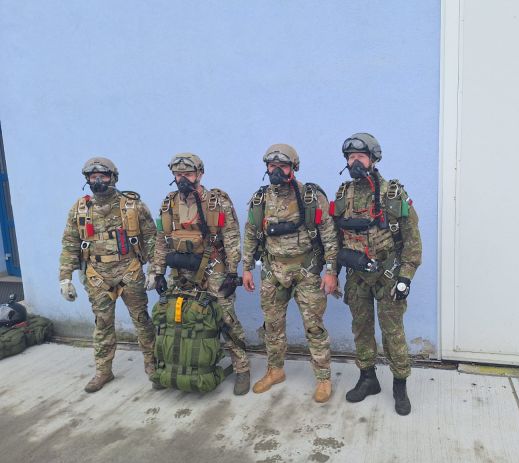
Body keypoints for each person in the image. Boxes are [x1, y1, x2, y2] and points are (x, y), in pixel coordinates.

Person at [331, 133, 422, 415]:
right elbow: (334, 239)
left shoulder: (393, 194)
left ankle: (400, 385)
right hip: (356, 277)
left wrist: (405, 276)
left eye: (360, 156)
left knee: (393, 332)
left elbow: (412, 240)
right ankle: (368, 378)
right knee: (361, 329)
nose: (354, 162)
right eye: (350, 157)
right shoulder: (342, 194)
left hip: (387, 276)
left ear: (373, 158)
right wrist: (332, 272)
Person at [146, 153, 251, 395]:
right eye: (178, 174)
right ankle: (174, 366)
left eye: (188, 174)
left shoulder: (217, 202)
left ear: (200, 174)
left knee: (226, 318)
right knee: (175, 319)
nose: (183, 178)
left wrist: (232, 273)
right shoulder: (168, 203)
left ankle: (242, 368)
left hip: (213, 268)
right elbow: (161, 239)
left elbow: (231, 238)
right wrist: (157, 272)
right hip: (179, 269)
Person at [242, 144, 338, 403]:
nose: (276, 170)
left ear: (293, 167)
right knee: (272, 326)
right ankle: (275, 370)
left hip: (306, 271)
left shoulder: (310, 197)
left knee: (314, 327)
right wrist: (247, 268)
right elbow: (251, 234)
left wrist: (331, 271)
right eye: (271, 165)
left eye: (282, 166)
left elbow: (329, 235)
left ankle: (323, 378)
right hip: (273, 271)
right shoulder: (260, 199)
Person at [59, 157, 157, 393]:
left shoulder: (133, 206)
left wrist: (155, 269)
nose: (98, 181)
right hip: (97, 276)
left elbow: (152, 238)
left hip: (130, 272)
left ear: (113, 177)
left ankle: (153, 366)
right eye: (93, 177)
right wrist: (65, 277)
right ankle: (103, 371)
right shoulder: (80, 209)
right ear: (87, 179)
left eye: (103, 176)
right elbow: (70, 244)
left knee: (142, 320)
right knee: (102, 324)